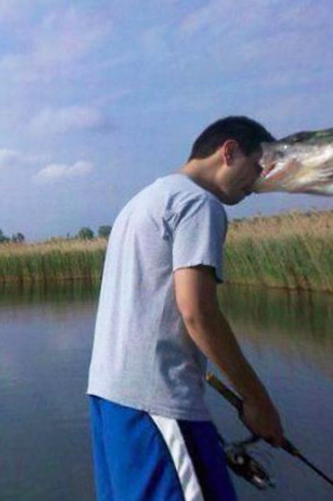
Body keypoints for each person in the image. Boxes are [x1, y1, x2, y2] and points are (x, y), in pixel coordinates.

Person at [87, 116, 284, 501]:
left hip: (110, 398)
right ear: (229, 151)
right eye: (257, 168)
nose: (258, 184)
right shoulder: (198, 204)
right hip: (158, 403)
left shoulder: (141, 202)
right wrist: (258, 401)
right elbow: (197, 313)